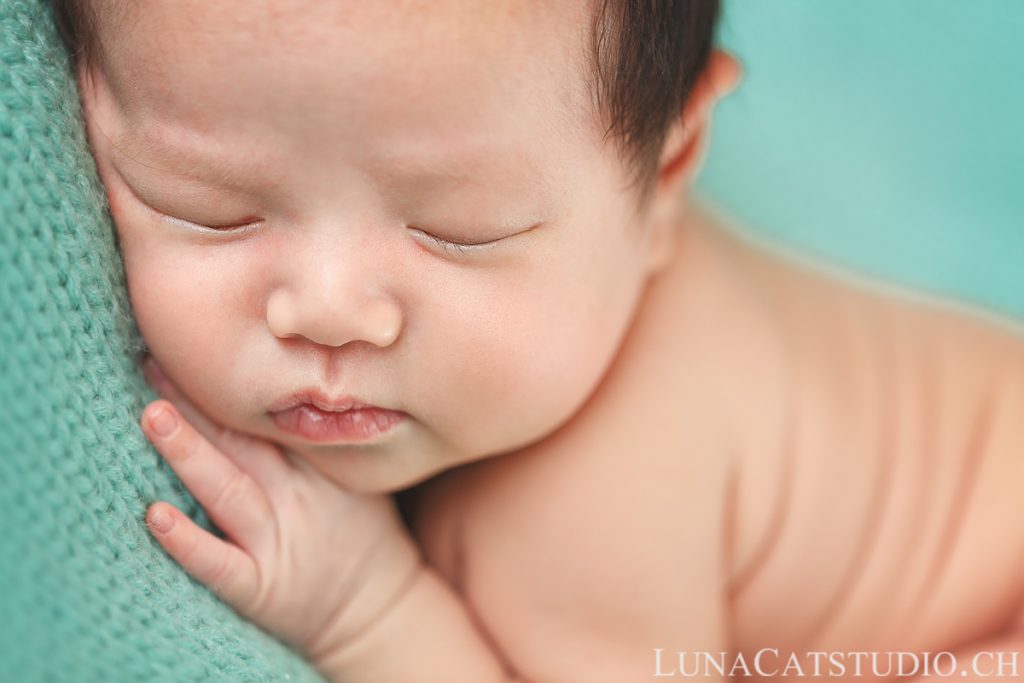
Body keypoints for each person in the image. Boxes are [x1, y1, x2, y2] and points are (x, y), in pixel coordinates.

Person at [53, 0, 1024, 680]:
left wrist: (365, 605)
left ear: (666, 169)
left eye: (457, 229)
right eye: (209, 208)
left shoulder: (592, 496)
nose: (329, 309)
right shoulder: (571, 234)